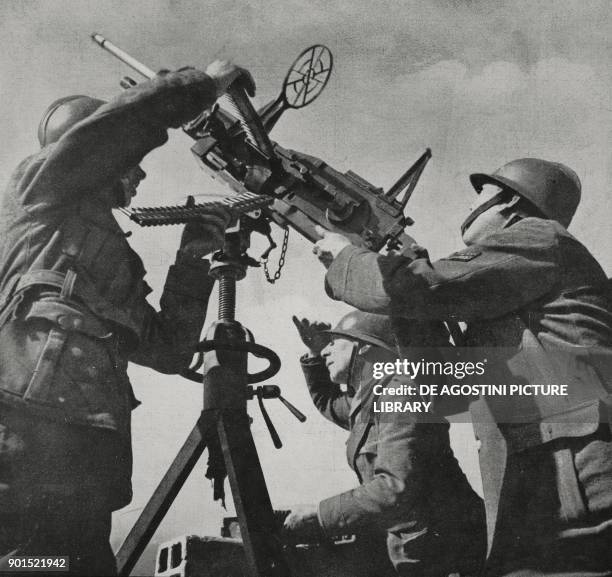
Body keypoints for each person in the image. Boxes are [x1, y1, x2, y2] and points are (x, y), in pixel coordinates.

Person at [0, 61, 255, 575]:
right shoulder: (37, 199)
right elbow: (113, 133)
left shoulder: (113, 261)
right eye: (128, 161)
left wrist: (196, 253)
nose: (138, 172)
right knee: (27, 567)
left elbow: (166, 349)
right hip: (22, 453)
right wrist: (202, 84)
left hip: (86, 469)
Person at [311, 158, 612, 576]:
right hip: (544, 488)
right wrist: (410, 306)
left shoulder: (539, 238)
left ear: (509, 203)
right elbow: (445, 384)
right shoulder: (513, 285)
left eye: (482, 195)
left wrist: (347, 260)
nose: (469, 205)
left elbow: (427, 286)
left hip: (575, 486)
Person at [284, 312, 486, 577]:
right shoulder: (370, 398)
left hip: (453, 552)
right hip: (424, 548)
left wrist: (321, 514)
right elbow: (327, 401)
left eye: (335, 341)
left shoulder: (400, 392)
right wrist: (313, 352)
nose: (326, 351)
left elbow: (395, 489)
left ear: (366, 346)